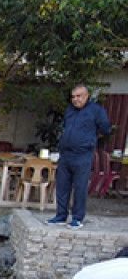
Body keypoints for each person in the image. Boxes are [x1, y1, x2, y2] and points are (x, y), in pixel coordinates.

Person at [48, 85, 112, 229]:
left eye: (79, 96)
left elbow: (106, 129)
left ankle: (77, 218)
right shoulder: (69, 110)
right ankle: (60, 216)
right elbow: (66, 127)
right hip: (66, 154)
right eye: (73, 97)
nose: (75, 99)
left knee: (80, 187)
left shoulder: (96, 110)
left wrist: (89, 140)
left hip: (83, 154)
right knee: (62, 186)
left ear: (87, 96)